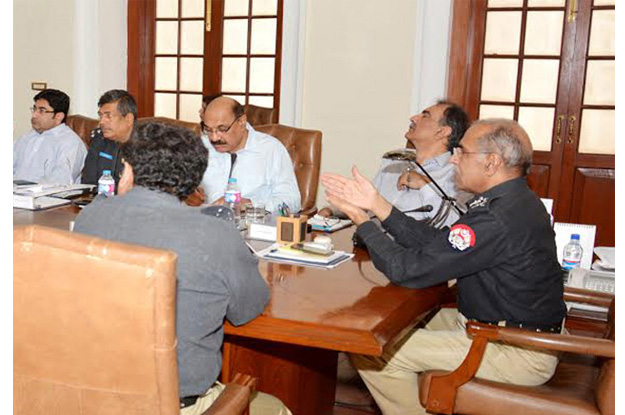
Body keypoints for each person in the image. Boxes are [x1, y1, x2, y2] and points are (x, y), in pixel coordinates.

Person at [321, 119, 566, 415]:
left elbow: (407, 270)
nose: (453, 158)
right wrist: (377, 204)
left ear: (491, 162)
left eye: (462, 152)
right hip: (498, 327)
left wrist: (361, 220)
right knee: (387, 326)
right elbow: (439, 243)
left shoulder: (495, 218)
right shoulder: (513, 201)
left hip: (515, 349)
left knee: (375, 351)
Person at [74, 122, 291, 415]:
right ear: (194, 181)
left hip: (89, 395)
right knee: (276, 408)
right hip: (175, 404)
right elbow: (247, 310)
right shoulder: (214, 233)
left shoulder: (92, 215)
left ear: (128, 169)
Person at [319, 101, 470, 227]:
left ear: (442, 132)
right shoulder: (394, 162)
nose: (413, 118)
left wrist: (425, 185)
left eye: (425, 116)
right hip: (371, 246)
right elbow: (368, 205)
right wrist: (332, 211)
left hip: (413, 253)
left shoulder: (456, 173)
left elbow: (453, 224)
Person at [187, 95, 301, 214]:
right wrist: (187, 195)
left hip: (252, 227)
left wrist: (250, 206)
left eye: (222, 129)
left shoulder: (270, 149)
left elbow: (292, 202)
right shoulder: (202, 146)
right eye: (209, 130)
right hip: (207, 225)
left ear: (241, 122)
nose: (214, 138)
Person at [13, 89, 87, 184]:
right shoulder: (26, 137)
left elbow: (60, 181)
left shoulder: (71, 143)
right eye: (34, 109)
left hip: (46, 196)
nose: (34, 115)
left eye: (42, 111)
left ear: (58, 116)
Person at [81, 89, 137, 186]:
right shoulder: (99, 140)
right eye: (101, 116)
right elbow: (88, 182)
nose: (102, 122)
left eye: (108, 116)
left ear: (128, 119)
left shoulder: (146, 147)